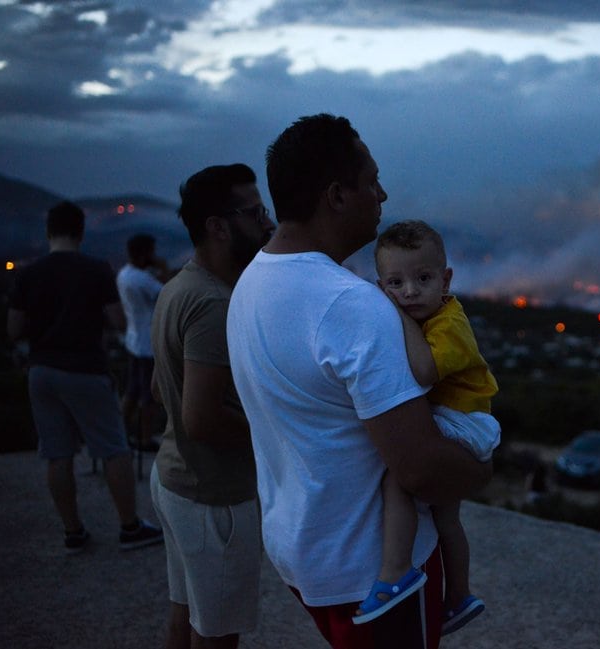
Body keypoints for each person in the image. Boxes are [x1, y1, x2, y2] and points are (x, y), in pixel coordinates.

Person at [227, 114, 492, 649]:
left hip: (302, 551)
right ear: (337, 196)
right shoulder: (354, 304)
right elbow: (419, 468)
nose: (383, 193)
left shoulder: (253, 281)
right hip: (373, 572)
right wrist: (482, 468)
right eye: (371, 180)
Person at [149, 164, 274, 649]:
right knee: (217, 636)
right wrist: (272, 432)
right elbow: (200, 418)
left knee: (187, 614)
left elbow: (165, 392)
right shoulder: (215, 303)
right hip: (214, 498)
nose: (267, 223)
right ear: (219, 226)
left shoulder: (179, 286)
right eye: (256, 212)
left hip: (175, 479)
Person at [362, 220, 500, 635]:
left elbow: (423, 371)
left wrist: (392, 312)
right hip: (463, 417)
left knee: (400, 476)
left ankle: (395, 572)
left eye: (423, 279)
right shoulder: (430, 312)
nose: (409, 292)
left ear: (446, 278)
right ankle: (459, 597)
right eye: (395, 282)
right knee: (447, 520)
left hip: (466, 421)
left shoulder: (449, 322)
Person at [6, 200, 164, 554]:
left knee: (57, 454)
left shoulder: (28, 274)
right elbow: (118, 322)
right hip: (85, 368)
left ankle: (73, 532)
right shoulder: (95, 270)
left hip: (42, 370)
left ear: (49, 232)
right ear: (81, 231)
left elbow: (14, 329)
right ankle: (129, 526)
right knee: (113, 448)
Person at [116, 233, 166, 452]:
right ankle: (145, 439)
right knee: (148, 395)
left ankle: (119, 434)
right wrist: (163, 268)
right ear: (144, 253)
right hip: (147, 344)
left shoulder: (124, 274)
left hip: (133, 340)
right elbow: (166, 292)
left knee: (132, 390)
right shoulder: (143, 279)